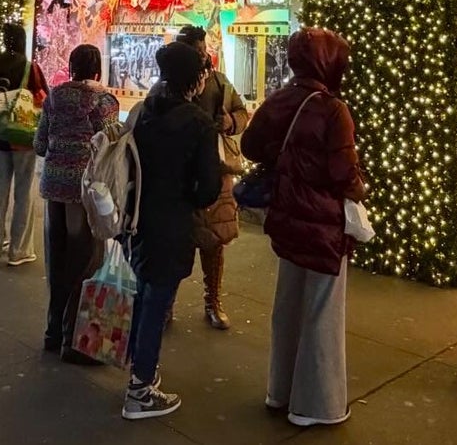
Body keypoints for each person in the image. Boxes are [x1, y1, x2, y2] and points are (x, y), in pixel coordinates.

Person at [241, 27, 365, 428]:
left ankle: (279, 390)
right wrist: (360, 189)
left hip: (287, 216)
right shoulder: (333, 109)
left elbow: (249, 146)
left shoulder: (280, 99)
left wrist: (284, 159)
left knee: (288, 304)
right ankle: (315, 404)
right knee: (322, 311)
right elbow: (344, 171)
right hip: (323, 222)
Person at [122, 41, 222, 420]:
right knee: (156, 302)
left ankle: (139, 368)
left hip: (137, 219)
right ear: (193, 79)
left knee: (142, 293)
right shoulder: (199, 123)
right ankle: (140, 390)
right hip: (173, 222)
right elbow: (208, 187)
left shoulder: (143, 112)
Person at [34, 44, 119, 363]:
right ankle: (74, 339)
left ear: (71, 68)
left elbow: (40, 144)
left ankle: (52, 332)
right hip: (84, 189)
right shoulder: (104, 101)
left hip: (52, 186)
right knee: (84, 261)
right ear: (97, 69)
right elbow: (110, 148)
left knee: (57, 261)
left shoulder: (54, 97)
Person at [174, 25, 248, 329]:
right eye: (196, 51)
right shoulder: (171, 86)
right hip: (179, 175)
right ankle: (166, 303)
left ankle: (213, 301)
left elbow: (241, 113)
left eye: (203, 50)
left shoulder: (220, 83)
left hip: (215, 172)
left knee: (214, 243)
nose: (202, 56)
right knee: (175, 244)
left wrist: (230, 121)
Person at [0, 23, 49, 268]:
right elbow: (44, 97)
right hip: (22, 139)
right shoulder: (29, 67)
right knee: (23, 195)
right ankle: (18, 251)